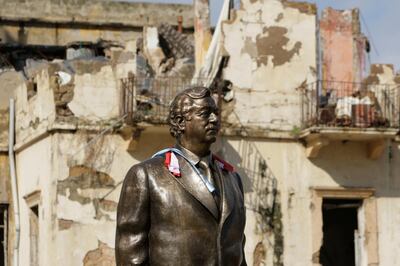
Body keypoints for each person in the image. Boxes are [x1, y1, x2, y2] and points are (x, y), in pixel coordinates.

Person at [115, 86, 246, 266]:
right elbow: (130, 250)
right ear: (180, 121)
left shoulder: (233, 179)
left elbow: (237, 246)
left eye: (215, 112)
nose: (215, 119)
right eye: (205, 113)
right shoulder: (146, 175)